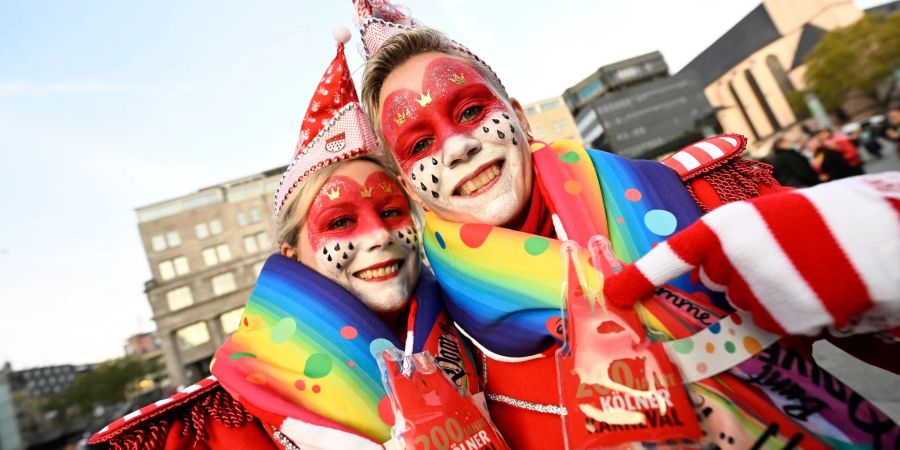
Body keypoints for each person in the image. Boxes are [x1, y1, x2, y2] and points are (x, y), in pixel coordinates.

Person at [352, 1, 899, 448]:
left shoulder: (706, 194)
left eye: (471, 110)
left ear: (517, 115)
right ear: (405, 181)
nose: (458, 146)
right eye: (420, 143)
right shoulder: (441, 347)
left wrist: (879, 257)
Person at [88, 29, 479, 450]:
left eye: (390, 212)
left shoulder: (481, 335)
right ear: (292, 256)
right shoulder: (193, 434)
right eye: (341, 222)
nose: (379, 235)